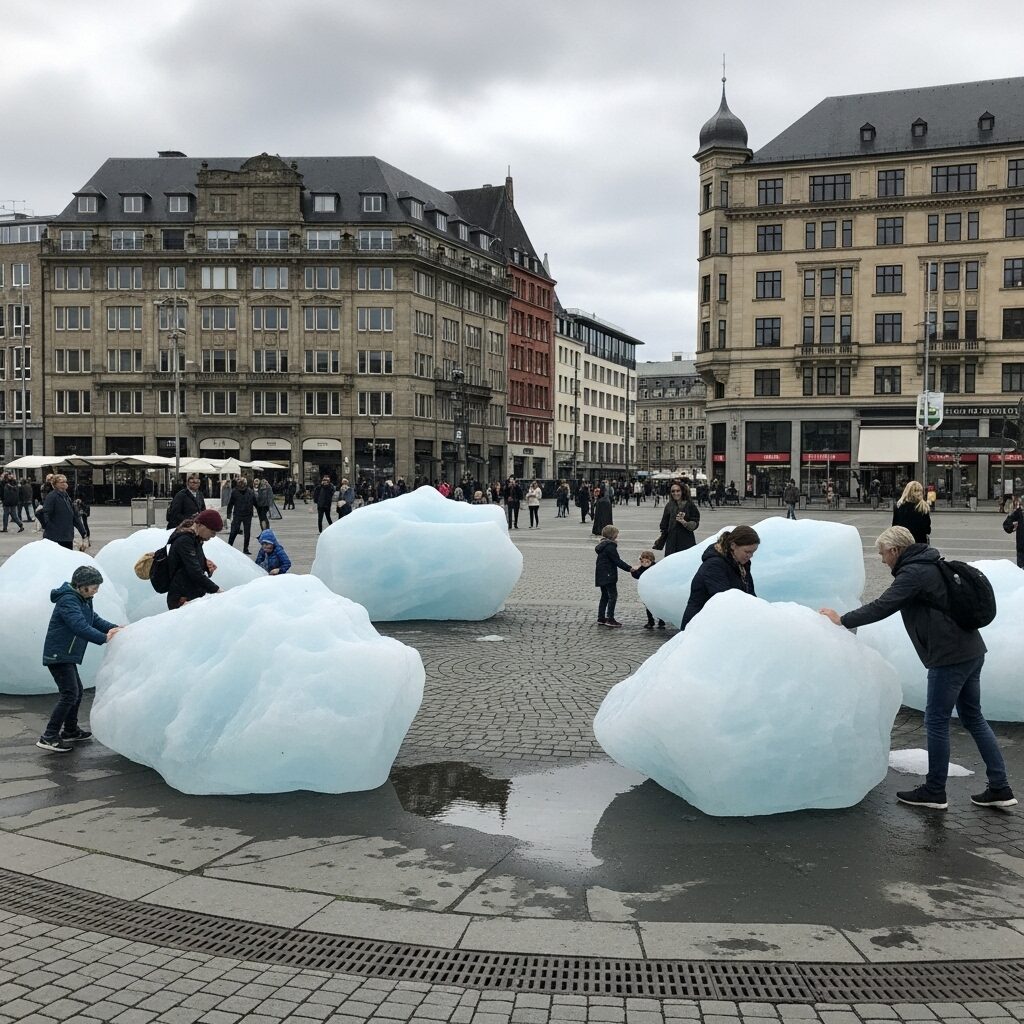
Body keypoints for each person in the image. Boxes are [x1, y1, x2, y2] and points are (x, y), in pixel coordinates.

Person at [820, 526, 1015, 811]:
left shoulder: (913, 574)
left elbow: (883, 605)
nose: (883, 559)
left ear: (896, 551)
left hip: (949, 656)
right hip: (971, 650)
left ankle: (935, 790)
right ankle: (1000, 786)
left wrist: (843, 620)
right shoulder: (930, 563)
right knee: (973, 717)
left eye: (883, 553)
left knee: (936, 720)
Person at [38, 565, 122, 753]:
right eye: (94, 586)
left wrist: (117, 629)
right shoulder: (68, 600)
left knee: (76, 691)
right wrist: (104, 638)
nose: (96, 590)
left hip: (66, 655)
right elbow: (79, 626)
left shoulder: (84, 599)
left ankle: (70, 730)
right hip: (58, 654)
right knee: (70, 694)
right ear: (82, 585)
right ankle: (49, 736)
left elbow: (94, 620)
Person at [681, 525, 759, 630]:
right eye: (747, 552)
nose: (750, 556)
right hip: (700, 626)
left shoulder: (741, 564)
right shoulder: (714, 565)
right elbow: (724, 598)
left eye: (753, 552)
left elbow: (750, 594)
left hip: (721, 624)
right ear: (733, 545)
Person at [166, 509, 225, 610]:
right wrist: (218, 590)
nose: (213, 536)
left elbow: (191, 561)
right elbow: (195, 572)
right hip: (182, 597)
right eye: (212, 532)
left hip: (192, 592)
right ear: (201, 525)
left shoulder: (196, 538)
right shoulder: (185, 540)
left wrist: (205, 564)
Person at [595, 524, 635, 628]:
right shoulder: (610, 546)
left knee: (604, 596)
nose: (617, 537)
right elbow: (617, 561)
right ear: (612, 536)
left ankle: (601, 618)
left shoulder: (602, 545)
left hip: (601, 574)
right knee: (612, 596)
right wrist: (629, 568)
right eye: (616, 535)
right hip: (609, 575)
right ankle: (610, 619)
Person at [41, 474, 87, 550]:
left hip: (67, 536)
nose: (64, 483)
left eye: (65, 481)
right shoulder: (52, 496)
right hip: (55, 537)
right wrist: (49, 528)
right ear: (55, 484)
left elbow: (74, 516)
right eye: (61, 482)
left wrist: (83, 532)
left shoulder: (66, 496)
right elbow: (45, 513)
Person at [656, 483, 700, 556]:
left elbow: (695, 521)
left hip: (686, 540)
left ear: (682, 491)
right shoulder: (669, 505)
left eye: (678, 491)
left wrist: (685, 522)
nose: (675, 493)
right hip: (671, 541)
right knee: (671, 562)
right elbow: (664, 524)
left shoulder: (689, 505)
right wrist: (662, 537)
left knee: (685, 561)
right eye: (673, 491)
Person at [631, 549, 666, 630]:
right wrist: (633, 572)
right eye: (643, 562)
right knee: (648, 607)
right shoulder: (641, 568)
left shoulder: (655, 567)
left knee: (658, 606)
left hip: (655, 590)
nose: (644, 564)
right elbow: (637, 575)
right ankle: (650, 621)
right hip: (646, 591)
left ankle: (661, 620)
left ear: (651, 561)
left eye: (647, 562)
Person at [892, 480, 932, 545]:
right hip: (920, 543)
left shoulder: (898, 506)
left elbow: (894, 526)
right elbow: (927, 530)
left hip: (903, 542)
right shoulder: (923, 507)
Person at [226, 476, 256, 554]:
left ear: (245, 484)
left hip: (247, 515)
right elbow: (230, 504)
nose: (242, 484)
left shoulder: (250, 492)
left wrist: (261, 512)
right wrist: (228, 515)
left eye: (243, 483)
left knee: (247, 533)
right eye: (240, 483)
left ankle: (245, 549)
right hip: (238, 514)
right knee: (234, 531)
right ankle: (229, 546)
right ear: (238, 484)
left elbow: (255, 503)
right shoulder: (235, 492)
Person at [1004, 496, 1024, 569]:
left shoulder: (1019, 512)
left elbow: (1006, 525)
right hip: (1021, 548)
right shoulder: (1019, 512)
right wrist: (1012, 526)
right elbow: (1006, 525)